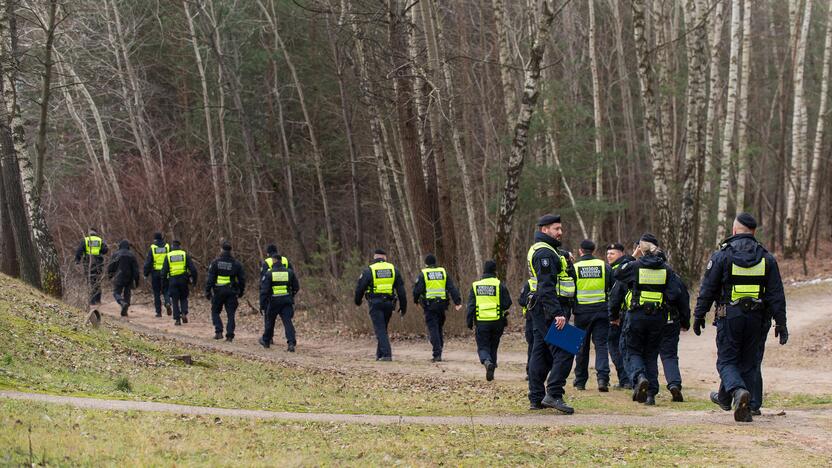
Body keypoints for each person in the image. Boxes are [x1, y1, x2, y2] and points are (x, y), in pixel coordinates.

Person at [693, 213, 787, 422]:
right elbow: (776, 294)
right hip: (758, 318)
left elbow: (708, 289)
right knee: (748, 362)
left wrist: (699, 314)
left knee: (726, 361)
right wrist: (781, 322)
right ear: (753, 232)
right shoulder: (766, 257)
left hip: (730, 316)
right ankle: (737, 404)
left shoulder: (722, 256)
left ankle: (737, 391)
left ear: (734, 231)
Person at [611, 233, 689, 406]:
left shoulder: (635, 265)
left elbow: (617, 273)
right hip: (658, 317)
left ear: (641, 249)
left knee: (633, 350)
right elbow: (676, 292)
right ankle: (651, 394)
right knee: (651, 354)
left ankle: (639, 377)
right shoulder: (666, 269)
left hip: (637, 315)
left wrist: (633, 256)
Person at [526, 214, 577, 414]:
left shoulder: (547, 250)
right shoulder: (545, 254)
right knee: (567, 347)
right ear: (544, 230)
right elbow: (546, 287)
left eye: (560, 228)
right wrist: (557, 313)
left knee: (541, 351)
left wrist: (564, 256)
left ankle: (536, 397)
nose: (560, 232)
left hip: (541, 309)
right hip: (549, 309)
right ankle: (554, 394)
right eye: (556, 229)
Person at [572, 239, 613, 392]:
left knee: (581, 347)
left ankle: (580, 381)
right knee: (601, 346)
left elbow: (570, 291)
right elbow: (612, 288)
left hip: (581, 313)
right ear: (594, 251)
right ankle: (602, 379)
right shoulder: (604, 266)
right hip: (601, 312)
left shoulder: (574, 268)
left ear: (580, 251)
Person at [353, 249, 407, 361]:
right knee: (383, 328)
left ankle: (387, 355)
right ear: (385, 258)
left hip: (375, 303)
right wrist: (403, 306)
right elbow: (401, 291)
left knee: (380, 329)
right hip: (389, 303)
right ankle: (380, 355)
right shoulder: (394, 270)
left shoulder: (369, 270)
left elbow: (360, 288)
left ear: (374, 257)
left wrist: (357, 301)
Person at [467, 260, 512, 381]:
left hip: (481, 322)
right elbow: (507, 303)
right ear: (495, 271)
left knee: (483, 346)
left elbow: (471, 305)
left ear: (484, 271)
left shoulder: (476, 286)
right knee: (494, 345)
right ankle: (492, 365)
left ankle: (487, 362)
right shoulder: (499, 285)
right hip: (497, 321)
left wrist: (469, 321)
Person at [412, 254, 462, 362]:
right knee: (438, 327)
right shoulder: (443, 272)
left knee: (433, 329)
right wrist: (457, 301)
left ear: (426, 264)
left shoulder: (423, 274)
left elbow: (417, 290)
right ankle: (439, 348)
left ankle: (437, 354)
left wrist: (415, 301)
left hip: (430, 306)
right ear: (435, 263)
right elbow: (452, 288)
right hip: (442, 306)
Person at [657, 250, 690, 403]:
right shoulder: (675, 278)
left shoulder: (641, 275)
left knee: (647, 354)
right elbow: (684, 301)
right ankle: (674, 384)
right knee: (669, 355)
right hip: (671, 321)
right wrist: (685, 322)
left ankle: (645, 384)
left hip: (648, 320)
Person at [606, 243, 634, 389]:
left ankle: (625, 379)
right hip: (621, 314)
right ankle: (628, 378)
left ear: (621, 254)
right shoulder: (622, 267)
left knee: (617, 347)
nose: (609, 256)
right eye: (608, 253)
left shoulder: (621, 270)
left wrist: (613, 316)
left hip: (619, 316)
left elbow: (616, 296)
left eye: (613, 253)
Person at [259, 252, 300, 351]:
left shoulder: (269, 273)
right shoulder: (289, 272)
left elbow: (264, 291)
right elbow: (296, 287)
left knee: (270, 321)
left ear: (274, 261)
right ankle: (291, 343)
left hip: (273, 301)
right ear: (281, 261)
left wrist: (262, 304)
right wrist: (291, 295)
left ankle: (266, 341)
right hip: (286, 301)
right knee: (287, 322)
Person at [206, 242, 246, 341]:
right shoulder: (236, 264)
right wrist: (241, 291)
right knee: (231, 314)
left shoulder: (215, 263)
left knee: (215, 311)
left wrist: (207, 291)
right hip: (231, 291)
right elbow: (242, 279)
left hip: (218, 291)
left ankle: (219, 331)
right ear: (230, 251)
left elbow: (210, 279)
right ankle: (229, 335)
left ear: (221, 250)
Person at [161, 240, 198, 326]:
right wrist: (194, 281)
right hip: (183, 279)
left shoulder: (168, 256)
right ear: (179, 246)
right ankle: (184, 313)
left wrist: (164, 283)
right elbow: (193, 269)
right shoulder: (184, 254)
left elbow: (163, 272)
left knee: (175, 300)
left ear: (172, 246)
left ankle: (177, 319)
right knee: (183, 297)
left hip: (172, 280)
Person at [75, 228, 109, 305]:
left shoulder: (85, 240)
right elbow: (105, 250)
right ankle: (98, 300)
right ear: (96, 233)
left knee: (90, 282)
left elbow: (79, 251)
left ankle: (92, 301)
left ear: (89, 233)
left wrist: (77, 260)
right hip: (98, 264)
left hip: (88, 263)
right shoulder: (100, 240)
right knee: (97, 282)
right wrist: (99, 251)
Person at [107, 240, 139, 317]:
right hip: (129, 277)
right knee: (127, 293)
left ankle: (121, 302)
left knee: (116, 292)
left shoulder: (116, 254)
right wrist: (136, 281)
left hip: (119, 275)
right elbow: (136, 270)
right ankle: (125, 308)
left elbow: (111, 266)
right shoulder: (132, 255)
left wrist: (110, 276)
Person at [143, 232, 171, 317]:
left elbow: (148, 262)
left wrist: (146, 273)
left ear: (155, 239)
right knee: (166, 290)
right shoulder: (167, 246)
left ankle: (158, 312)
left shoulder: (153, 247)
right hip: (165, 272)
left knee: (156, 292)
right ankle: (167, 302)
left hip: (155, 273)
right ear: (162, 238)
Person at [517, 279, 535, 380]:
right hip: (548, 319)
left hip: (531, 319)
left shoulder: (530, 283)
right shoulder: (551, 279)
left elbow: (522, 301)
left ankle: (530, 372)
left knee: (532, 346)